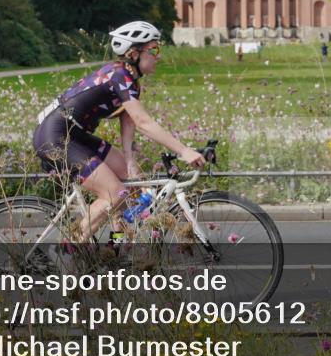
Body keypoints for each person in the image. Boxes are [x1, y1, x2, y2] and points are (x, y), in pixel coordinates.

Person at [33, 20, 206, 243]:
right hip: (55, 138)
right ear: (133, 53)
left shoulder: (131, 80)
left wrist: (131, 163)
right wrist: (184, 151)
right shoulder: (119, 76)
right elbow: (143, 122)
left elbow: (129, 123)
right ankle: (66, 250)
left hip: (75, 136)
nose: (159, 56)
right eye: (154, 50)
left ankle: (117, 246)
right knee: (115, 193)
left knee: (131, 185)